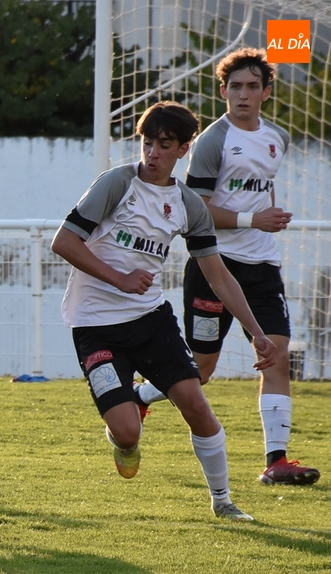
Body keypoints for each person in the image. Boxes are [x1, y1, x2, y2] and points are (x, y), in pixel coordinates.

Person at [51, 101, 277, 521]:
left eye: (164, 144)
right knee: (126, 430)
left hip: (151, 320)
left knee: (194, 402)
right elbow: (64, 242)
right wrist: (118, 279)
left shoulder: (189, 204)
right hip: (94, 326)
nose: (152, 152)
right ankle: (125, 441)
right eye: (147, 142)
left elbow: (219, 275)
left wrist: (257, 332)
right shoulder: (116, 184)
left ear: (184, 149)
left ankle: (223, 501)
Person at [133, 48, 320, 486]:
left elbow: (261, 191)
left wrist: (266, 218)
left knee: (274, 354)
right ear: (223, 91)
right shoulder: (215, 141)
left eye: (252, 86)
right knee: (201, 370)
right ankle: (140, 394)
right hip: (214, 264)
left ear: (267, 92)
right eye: (235, 86)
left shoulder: (277, 138)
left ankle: (276, 461)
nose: (243, 94)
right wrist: (254, 219)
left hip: (262, 266)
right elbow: (194, 207)